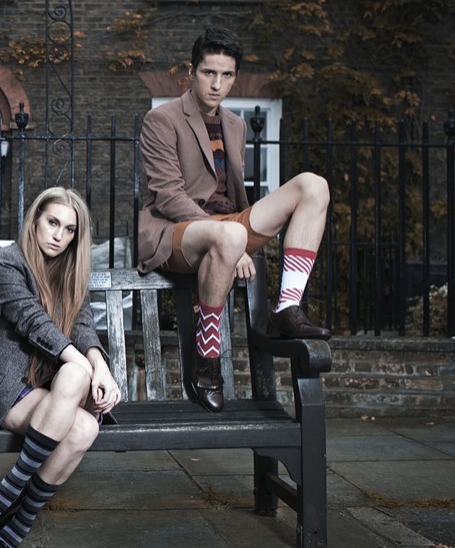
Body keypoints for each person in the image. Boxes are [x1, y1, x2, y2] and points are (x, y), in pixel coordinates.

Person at [137, 26, 331, 414]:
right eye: (208, 72)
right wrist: (228, 236)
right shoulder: (161, 119)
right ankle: (207, 358)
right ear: (191, 72)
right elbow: (168, 195)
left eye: (226, 75)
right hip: (175, 231)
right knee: (229, 237)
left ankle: (286, 309)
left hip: (229, 229)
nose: (217, 84)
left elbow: (233, 196)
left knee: (313, 185)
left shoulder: (236, 124)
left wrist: (236, 234)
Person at [0, 187, 121, 548]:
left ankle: (15, 519)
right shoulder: (6, 261)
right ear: (35, 219)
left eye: (69, 230)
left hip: (56, 392)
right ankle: (11, 499)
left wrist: (101, 367)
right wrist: (83, 366)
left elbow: (82, 326)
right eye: (52, 222)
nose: (58, 236)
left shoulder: (70, 271)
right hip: (11, 392)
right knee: (77, 377)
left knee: (85, 428)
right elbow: (33, 321)